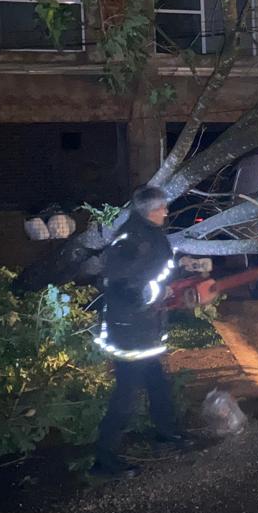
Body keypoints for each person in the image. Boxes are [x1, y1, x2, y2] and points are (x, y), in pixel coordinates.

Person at [92, 185, 187, 477]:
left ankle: (167, 433)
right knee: (126, 396)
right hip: (129, 334)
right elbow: (119, 284)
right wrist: (154, 296)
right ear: (150, 211)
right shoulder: (132, 240)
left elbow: (153, 272)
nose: (166, 212)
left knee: (157, 384)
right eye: (162, 208)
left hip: (144, 331)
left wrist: (173, 279)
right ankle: (104, 460)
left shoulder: (149, 234)